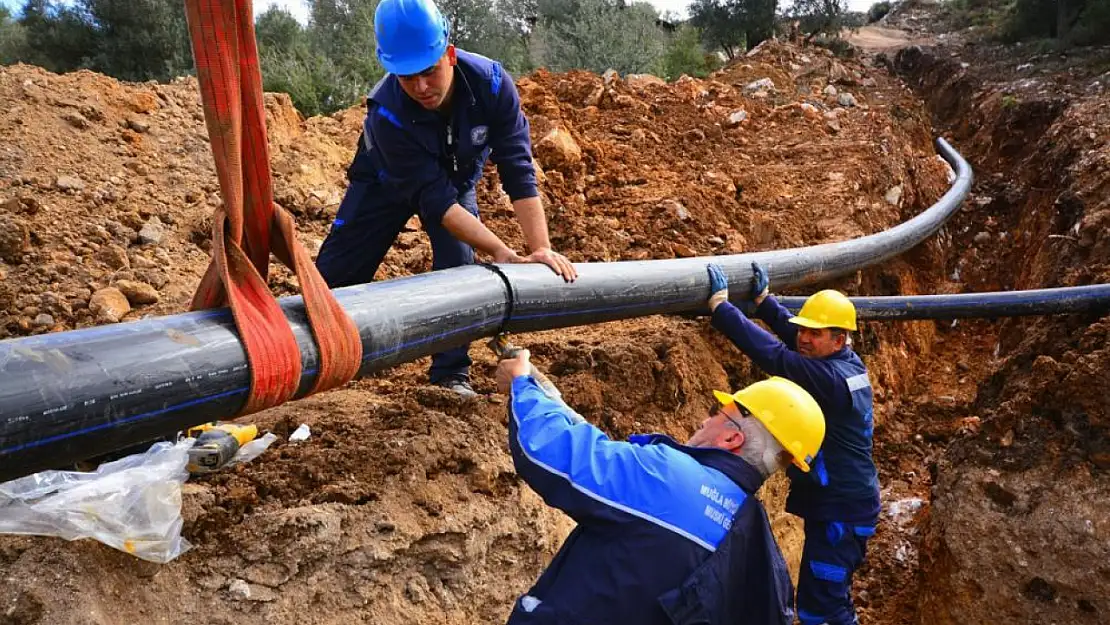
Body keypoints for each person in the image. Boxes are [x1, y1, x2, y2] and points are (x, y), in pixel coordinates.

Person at [315, 0, 577, 397]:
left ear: (449, 54)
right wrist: (502, 250)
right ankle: (317, 364)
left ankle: (450, 376)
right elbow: (433, 201)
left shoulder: (491, 85)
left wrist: (539, 248)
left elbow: (518, 170)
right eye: (407, 78)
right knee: (333, 279)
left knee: (459, 268)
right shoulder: (385, 114)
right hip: (384, 184)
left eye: (429, 71)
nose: (420, 87)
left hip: (454, 180)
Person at [495, 349, 827, 625]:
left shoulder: (666, 477)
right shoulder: (757, 544)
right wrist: (556, 404)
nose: (703, 420)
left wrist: (522, 383)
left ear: (732, 438)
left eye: (717, 413)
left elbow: (552, 454)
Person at [705, 262, 881, 625]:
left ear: (839, 338)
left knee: (823, 609)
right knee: (828, 600)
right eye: (805, 329)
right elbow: (795, 342)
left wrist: (722, 309)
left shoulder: (829, 380)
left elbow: (777, 356)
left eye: (816, 333)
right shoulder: (846, 364)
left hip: (840, 511)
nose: (805, 337)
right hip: (847, 502)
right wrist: (766, 303)